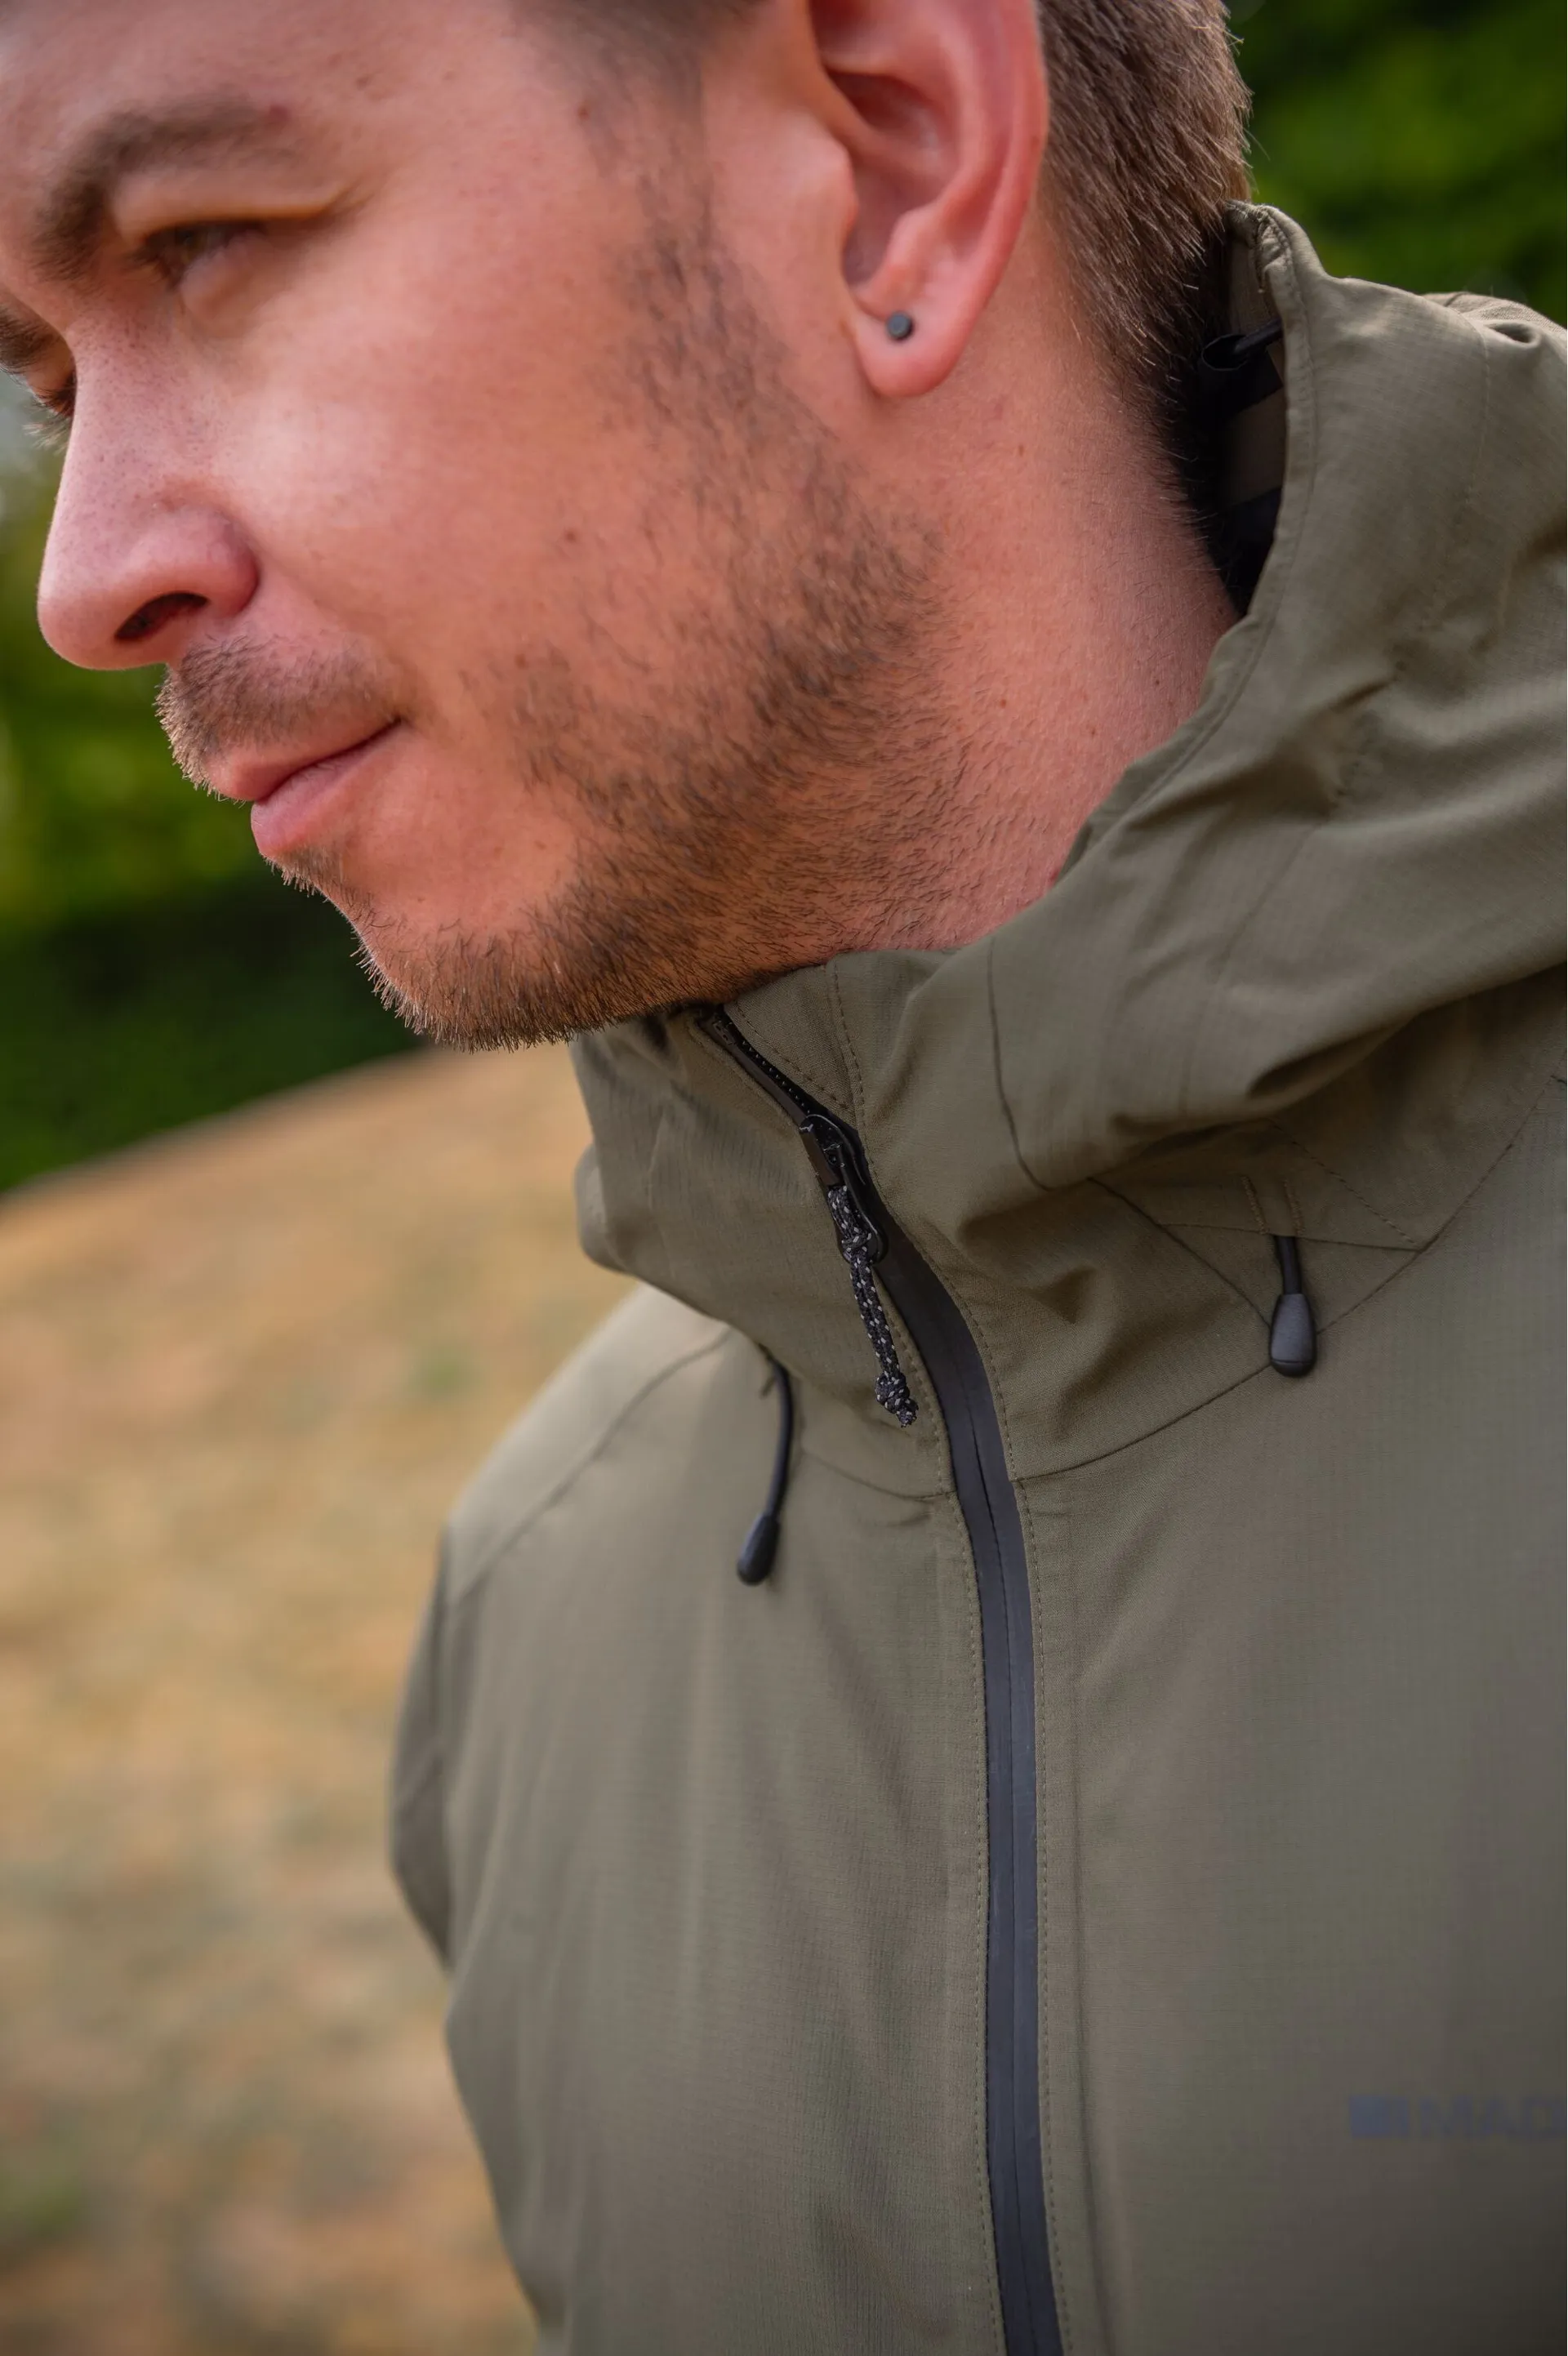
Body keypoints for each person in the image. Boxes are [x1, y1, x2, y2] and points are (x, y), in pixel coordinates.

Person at [2, 1, 1561, 2349]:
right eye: (44, 388)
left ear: (893, 159)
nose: (81, 578)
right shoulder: (529, 1646)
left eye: (205, 243)